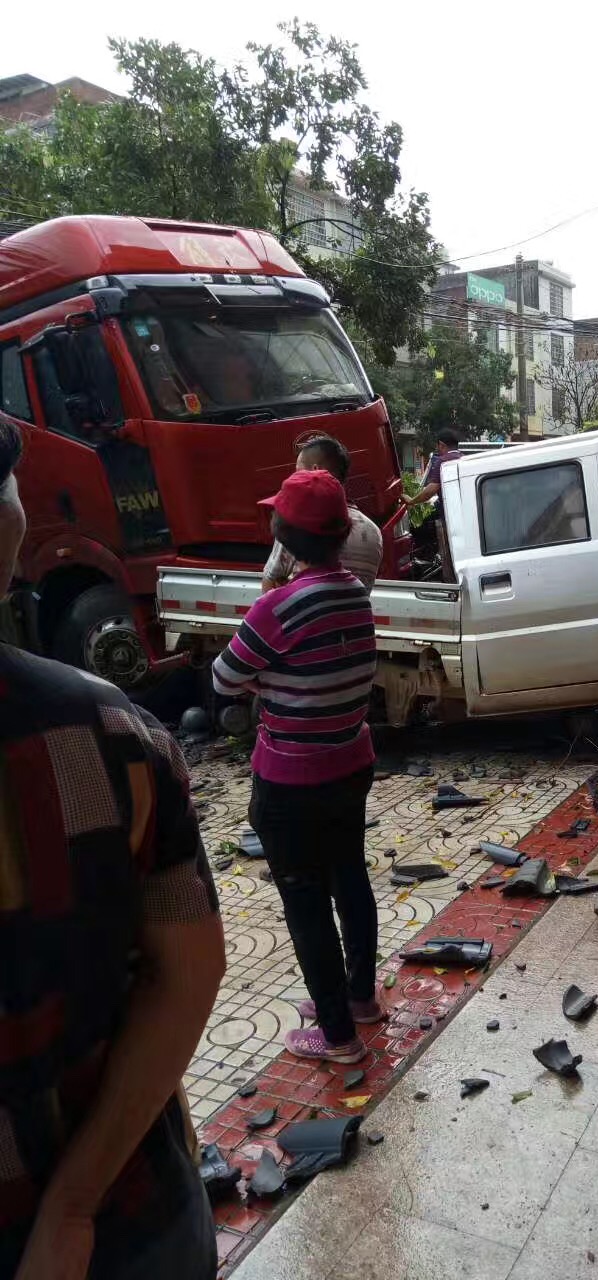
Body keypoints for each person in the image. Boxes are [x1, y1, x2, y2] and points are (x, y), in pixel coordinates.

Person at [0, 417, 224, 1280]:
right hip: (130, 1219)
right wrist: (75, 1206)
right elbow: (191, 970)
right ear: (13, 524)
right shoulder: (113, 738)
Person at [212, 469, 380, 1065]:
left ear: (283, 534)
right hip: (350, 764)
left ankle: (338, 1039)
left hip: (290, 781)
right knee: (349, 879)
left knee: (305, 902)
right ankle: (360, 998)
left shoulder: (275, 609)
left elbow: (224, 680)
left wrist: (268, 675)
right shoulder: (357, 597)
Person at [262, 435, 382, 593]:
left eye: (298, 471)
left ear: (315, 471)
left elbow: (269, 586)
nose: (294, 477)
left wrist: (286, 585)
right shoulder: (374, 532)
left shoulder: (300, 520)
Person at [401, 428, 462, 511]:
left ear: (441, 444)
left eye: (437, 445)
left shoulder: (442, 461)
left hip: (451, 511)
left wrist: (412, 501)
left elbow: (430, 491)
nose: (437, 448)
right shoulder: (464, 458)